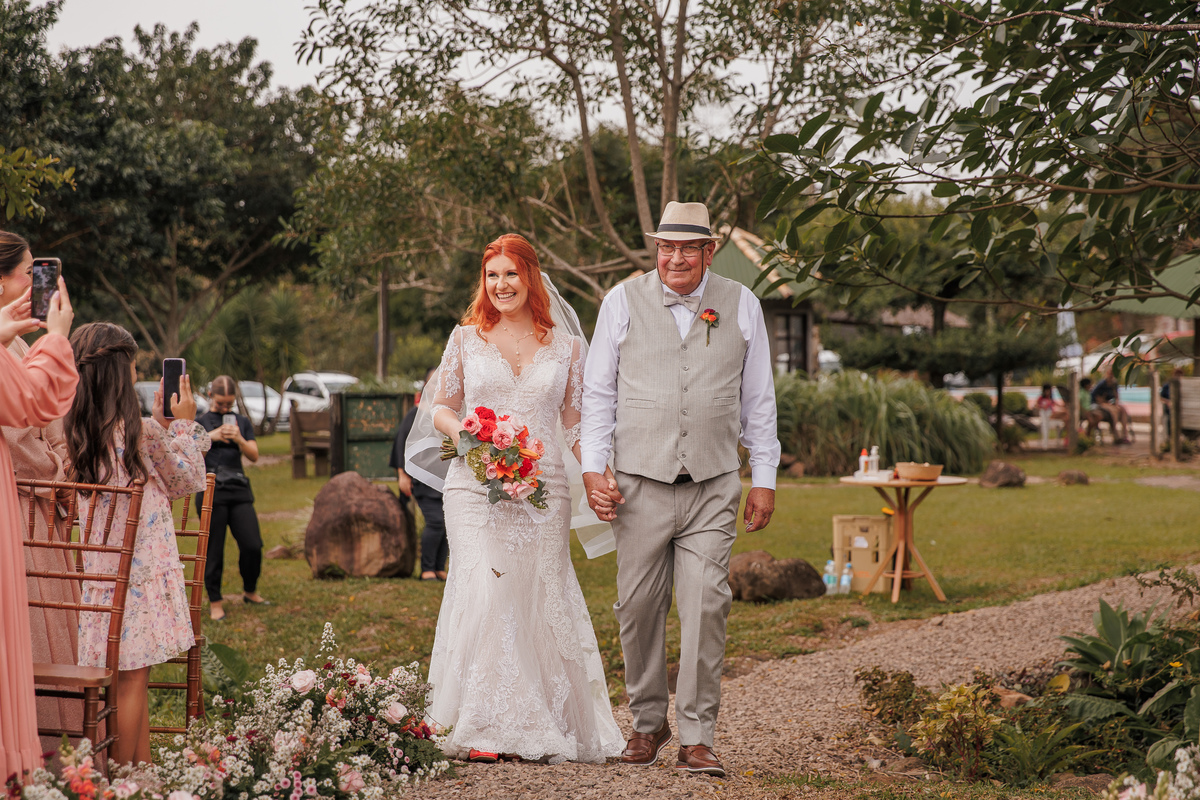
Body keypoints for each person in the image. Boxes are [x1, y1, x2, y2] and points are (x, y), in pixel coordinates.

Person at [581, 202, 780, 778]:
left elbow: (758, 400)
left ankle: (697, 734)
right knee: (637, 606)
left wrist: (763, 479)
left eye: (687, 249)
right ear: (657, 251)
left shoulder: (743, 304)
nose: (674, 258)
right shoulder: (621, 301)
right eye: (666, 248)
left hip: (714, 483)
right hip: (639, 483)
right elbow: (599, 395)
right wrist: (595, 469)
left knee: (705, 602)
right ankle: (647, 722)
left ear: (708, 253)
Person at [424, 233, 624, 764]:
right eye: (492, 275)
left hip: (545, 488)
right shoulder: (465, 338)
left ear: (531, 277)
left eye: (511, 274)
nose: (501, 284)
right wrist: (472, 435)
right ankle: (482, 724)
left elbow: (575, 422)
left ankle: (543, 719)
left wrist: (594, 471)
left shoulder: (567, 346)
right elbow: (439, 407)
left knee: (536, 597)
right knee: (486, 592)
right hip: (473, 484)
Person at [65, 323, 210, 766]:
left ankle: (140, 774)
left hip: (101, 584)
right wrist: (183, 425)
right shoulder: (140, 433)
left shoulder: (76, 435)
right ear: (117, 374)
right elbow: (187, 479)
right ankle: (121, 781)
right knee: (131, 684)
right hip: (140, 581)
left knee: (125, 681)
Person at [0, 233, 84, 757]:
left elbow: (50, 421)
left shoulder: (16, 340)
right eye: (29, 271)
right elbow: (24, 416)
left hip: (41, 501)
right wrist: (59, 334)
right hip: (23, 502)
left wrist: (62, 462)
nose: (38, 280)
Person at [195, 376, 267, 622]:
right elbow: (189, 452)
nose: (225, 408)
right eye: (221, 403)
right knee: (213, 549)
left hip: (238, 489)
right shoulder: (200, 423)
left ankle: (250, 590)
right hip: (210, 491)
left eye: (229, 404)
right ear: (210, 396)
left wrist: (238, 438)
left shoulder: (242, 422)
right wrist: (211, 436)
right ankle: (216, 601)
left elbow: (254, 455)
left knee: (252, 544)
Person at [389, 368, 447, 580]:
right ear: (426, 385)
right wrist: (402, 475)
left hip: (444, 480)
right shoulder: (416, 414)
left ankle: (439, 567)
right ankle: (427, 569)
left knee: (447, 523)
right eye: (433, 382)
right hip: (422, 480)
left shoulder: (448, 413)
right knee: (435, 522)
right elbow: (400, 444)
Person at [1091, 367, 1133, 443]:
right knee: (1113, 411)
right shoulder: (1102, 384)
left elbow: (1116, 396)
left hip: (1109, 403)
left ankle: (1125, 435)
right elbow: (1097, 398)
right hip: (1099, 404)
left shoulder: (1114, 384)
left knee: (1123, 409)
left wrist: (1116, 403)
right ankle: (1115, 435)